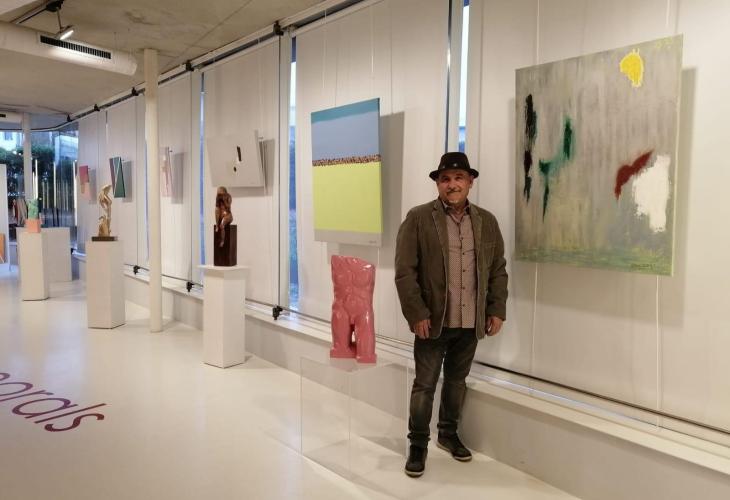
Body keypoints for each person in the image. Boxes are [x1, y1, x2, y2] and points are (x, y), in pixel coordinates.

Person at [395, 151, 508, 477]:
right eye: (445, 179)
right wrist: (416, 313)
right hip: (433, 321)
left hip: (471, 323)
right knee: (424, 385)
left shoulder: (487, 222)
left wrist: (496, 308)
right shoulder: (418, 218)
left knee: (457, 382)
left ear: (470, 182)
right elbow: (405, 272)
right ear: (438, 184)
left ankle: (448, 433)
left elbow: (498, 269)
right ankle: (418, 444)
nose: (452, 184)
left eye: (459, 178)